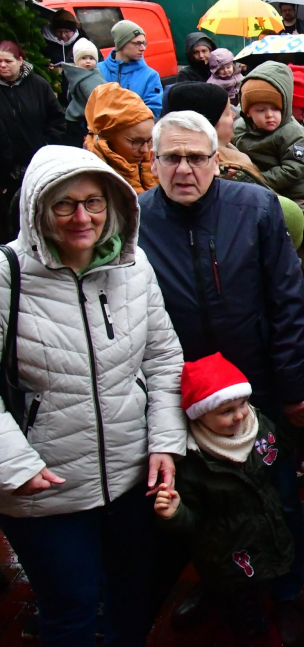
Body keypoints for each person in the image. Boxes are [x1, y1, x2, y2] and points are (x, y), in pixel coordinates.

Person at [0, 145, 185, 646]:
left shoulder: (133, 266)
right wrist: (14, 464)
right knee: (71, 611)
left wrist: (165, 441)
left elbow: (163, 357)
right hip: (44, 488)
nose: (82, 217)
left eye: (94, 202)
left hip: (131, 478)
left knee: (132, 600)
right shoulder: (7, 275)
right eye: (64, 204)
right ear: (37, 209)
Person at [137, 110, 304, 637]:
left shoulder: (254, 207)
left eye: (196, 157)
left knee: (276, 496)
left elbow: (287, 301)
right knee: (207, 508)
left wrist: (288, 388)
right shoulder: (137, 217)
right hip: (182, 395)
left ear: (218, 160)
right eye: (172, 157)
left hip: (253, 390)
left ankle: (286, 590)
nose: (184, 169)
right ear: (154, 161)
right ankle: (221, 588)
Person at [154, 353, 302, 644]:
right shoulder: (193, 462)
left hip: (266, 534)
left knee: (266, 585)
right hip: (226, 556)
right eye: (226, 411)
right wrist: (175, 513)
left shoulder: (256, 428)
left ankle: (277, 607)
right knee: (243, 611)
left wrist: (295, 426)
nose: (240, 415)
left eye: (242, 404)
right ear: (199, 414)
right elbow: (193, 522)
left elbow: (278, 450)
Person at [233, 61, 304, 211]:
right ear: (248, 113)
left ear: (284, 106)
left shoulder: (292, 132)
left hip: (297, 196)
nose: (269, 115)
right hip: (263, 191)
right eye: (261, 110)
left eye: (275, 109)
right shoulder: (239, 128)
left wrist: (255, 179)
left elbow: (293, 169)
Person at [0, 41, 65, 189]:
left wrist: (47, 145)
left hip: (39, 162)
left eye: (8, 61)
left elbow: (57, 118)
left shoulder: (38, 85)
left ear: (20, 61)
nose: (3, 65)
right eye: (0, 61)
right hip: (6, 170)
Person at [83, 82, 158, 193]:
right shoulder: (90, 177)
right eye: (136, 142)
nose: (145, 150)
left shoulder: (156, 161)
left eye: (150, 140)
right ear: (107, 137)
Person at [98, 20, 163, 118]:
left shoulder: (150, 75)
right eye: (137, 43)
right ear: (121, 44)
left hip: (133, 132)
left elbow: (152, 112)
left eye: (144, 43)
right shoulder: (98, 70)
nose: (143, 48)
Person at [60, 37, 105, 147]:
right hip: (83, 121)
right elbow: (97, 101)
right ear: (76, 60)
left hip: (77, 119)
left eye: (91, 58)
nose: (88, 61)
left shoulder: (77, 74)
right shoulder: (87, 79)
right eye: (83, 58)